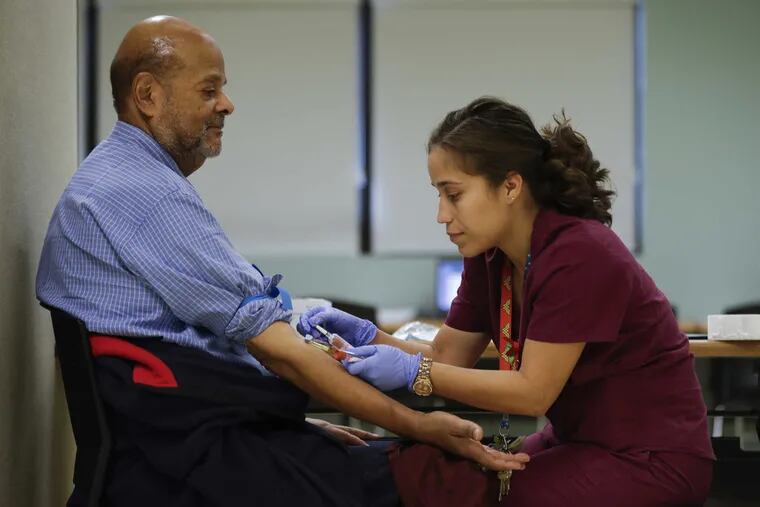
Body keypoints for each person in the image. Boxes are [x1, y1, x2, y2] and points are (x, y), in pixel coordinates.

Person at [36, 19, 527, 507]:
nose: (227, 104)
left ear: (513, 188)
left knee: (410, 459)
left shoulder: (112, 180)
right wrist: (418, 425)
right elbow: (280, 352)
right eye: (209, 90)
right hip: (197, 457)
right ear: (148, 95)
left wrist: (306, 419)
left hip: (180, 443)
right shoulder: (146, 195)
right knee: (444, 475)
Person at [299, 97, 715, 506]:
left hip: (650, 458)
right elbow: (448, 356)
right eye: (438, 195)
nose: (441, 215)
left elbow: (532, 394)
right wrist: (368, 337)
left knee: (465, 489)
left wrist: (412, 371)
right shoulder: (490, 255)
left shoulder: (579, 252)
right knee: (440, 467)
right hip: (579, 439)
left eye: (453, 194)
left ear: (511, 186)